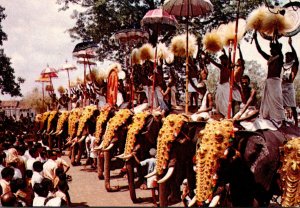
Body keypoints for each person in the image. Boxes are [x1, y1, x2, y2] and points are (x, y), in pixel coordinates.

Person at [254, 31, 285, 125]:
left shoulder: (280, 57)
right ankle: (269, 117)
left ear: (276, 49)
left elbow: (278, 50)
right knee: (267, 102)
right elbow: (260, 51)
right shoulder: (270, 58)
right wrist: (255, 39)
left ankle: (281, 119)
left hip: (275, 82)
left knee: (277, 100)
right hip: (269, 81)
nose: (270, 50)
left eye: (272, 49)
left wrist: (274, 38)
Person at [206, 50, 242, 117]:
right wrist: (206, 56)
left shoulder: (229, 68)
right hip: (220, 86)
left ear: (226, 60)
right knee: (218, 101)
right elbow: (213, 62)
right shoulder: (222, 66)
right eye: (221, 60)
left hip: (226, 86)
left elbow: (229, 60)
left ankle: (228, 115)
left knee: (226, 102)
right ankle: (221, 115)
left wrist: (229, 52)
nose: (221, 62)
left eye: (222, 60)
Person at [282, 37, 299, 126]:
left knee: (292, 105)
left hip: (289, 86)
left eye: (287, 56)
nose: (286, 58)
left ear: (291, 57)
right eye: (285, 56)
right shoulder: (284, 65)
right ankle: (283, 121)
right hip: (283, 85)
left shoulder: (294, 64)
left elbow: (296, 57)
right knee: (282, 105)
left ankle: (296, 122)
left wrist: (291, 45)